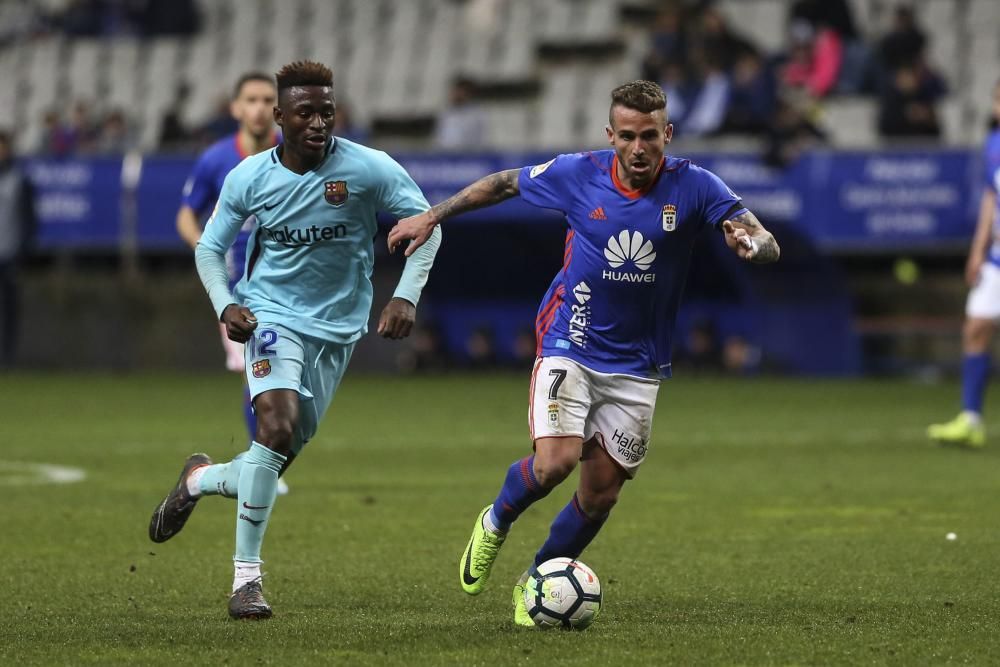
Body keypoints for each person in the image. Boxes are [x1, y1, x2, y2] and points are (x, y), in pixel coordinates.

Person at [388, 80, 779, 626]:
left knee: (599, 496)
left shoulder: (695, 185)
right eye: (627, 136)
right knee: (556, 463)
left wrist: (752, 245)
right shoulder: (579, 173)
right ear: (610, 135)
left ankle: (536, 584)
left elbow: (764, 239)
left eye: (650, 137)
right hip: (569, 338)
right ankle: (497, 520)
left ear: (667, 134)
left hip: (639, 365)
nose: (638, 149)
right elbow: (503, 185)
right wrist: (434, 215)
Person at [148, 60, 442, 620]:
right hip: (269, 316)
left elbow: (428, 224)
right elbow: (209, 249)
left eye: (327, 112)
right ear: (280, 117)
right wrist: (227, 303)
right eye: (304, 112)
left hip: (337, 331)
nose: (317, 122)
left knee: (270, 459)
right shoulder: (248, 176)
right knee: (275, 428)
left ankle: (198, 479)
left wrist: (406, 293)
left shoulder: (369, 168)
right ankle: (245, 583)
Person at [175, 72, 287, 493]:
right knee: (254, 373)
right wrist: (206, 249)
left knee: (275, 377)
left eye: (266, 100)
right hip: (237, 288)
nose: (258, 108)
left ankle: (262, 463)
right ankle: (263, 467)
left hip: (285, 285)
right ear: (236, 108)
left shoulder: (293, 155)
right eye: (251, 100)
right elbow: (187, 213)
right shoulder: (217, 158)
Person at [928, 81, 1000, 448]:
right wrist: (977, 250)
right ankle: (971, 420)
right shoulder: (994, 145)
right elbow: (991, 198)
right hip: (996, 260)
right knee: (975, 328)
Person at [0, 130, 36, 369]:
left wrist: (24, 249)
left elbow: (29, 218)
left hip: (8, 253)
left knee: (8, 309)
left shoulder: (19, 179)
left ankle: (6, 356)